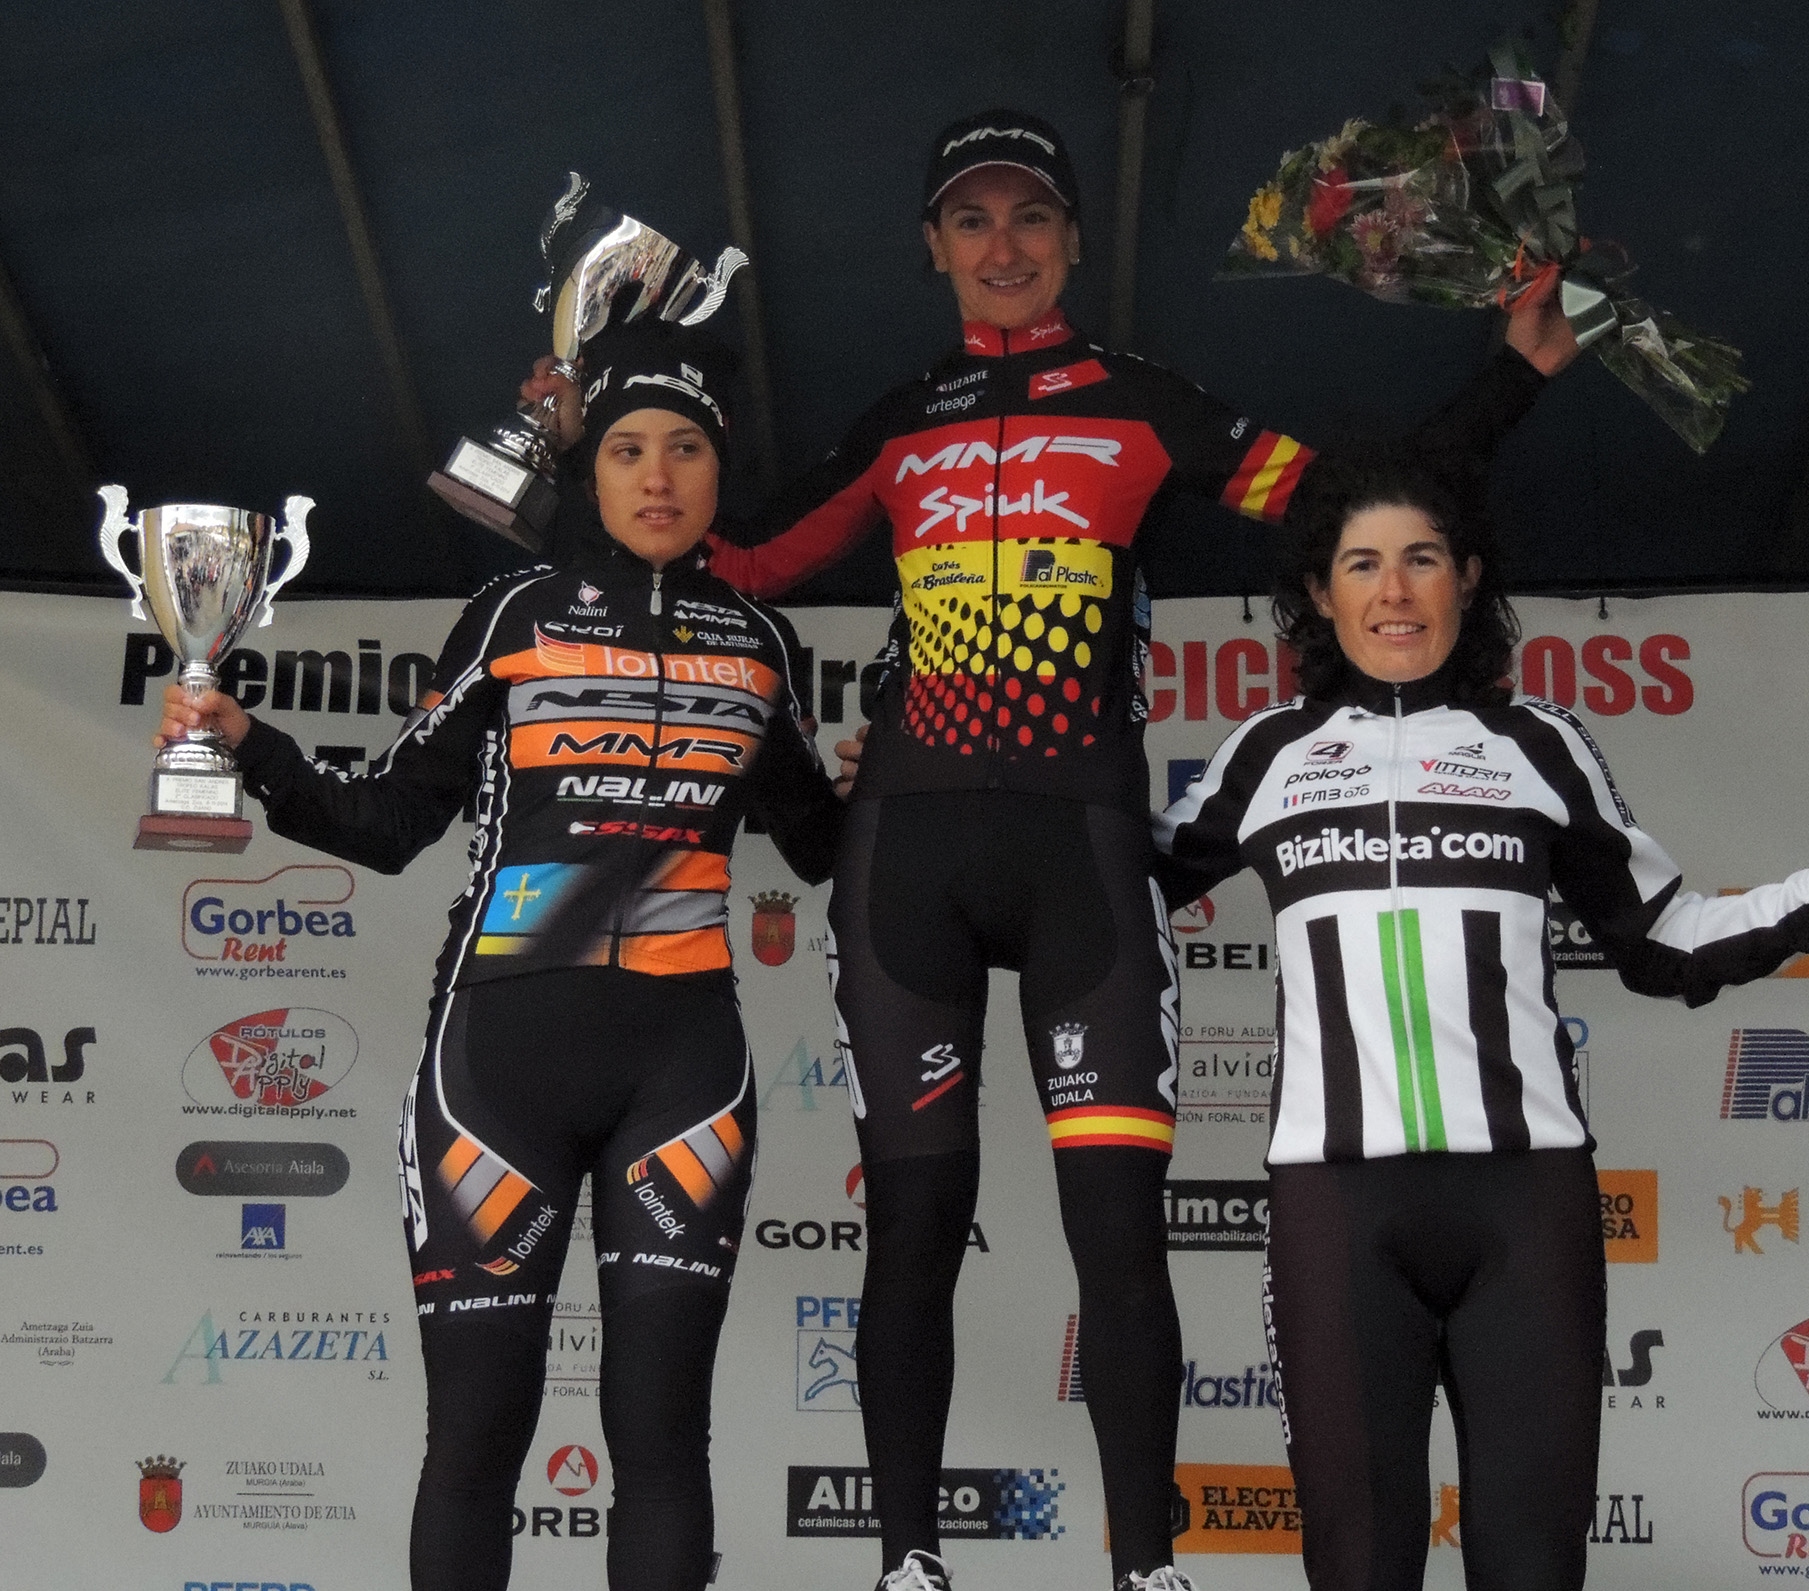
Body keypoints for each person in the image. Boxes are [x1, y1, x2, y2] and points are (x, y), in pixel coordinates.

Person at [522, 109, 1581, 1591]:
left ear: (1074, 238)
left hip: (1082, 853)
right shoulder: (901, 422)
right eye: (972, 219)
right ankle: (908, 1563)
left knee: (1119, 1235)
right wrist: (568, 446)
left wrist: (1519, 373)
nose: (1002, 245)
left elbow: (1352, 501)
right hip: (907, 859)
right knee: (912, 1227)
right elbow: (727, 559)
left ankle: (1144, 1567)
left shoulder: (1140, 404)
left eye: (1029, 215)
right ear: (934, 247)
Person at [1151, 444, 1809, 1591]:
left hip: (1523, 1205)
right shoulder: (1264, 754)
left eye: (1421, 558)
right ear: (1318, 593)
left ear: (1466, 578)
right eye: (1361, 564)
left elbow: (1663, 939)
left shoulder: (1536, 743)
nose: (1392, 590)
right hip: (1334, 1206)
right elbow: (1110, 880)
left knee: (1531, 1563)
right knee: (1357, 1565)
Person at [157, 318, 843, 1591]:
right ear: (590, 470)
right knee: (477, 1436)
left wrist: (904, 768)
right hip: (496, 1072)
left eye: (685, 449)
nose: (656, 475)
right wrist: (246, 743)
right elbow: (384, 820)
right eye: (626, 448)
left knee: (662, 1442)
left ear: (718, 470)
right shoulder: (512, 613)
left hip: (684, 1071)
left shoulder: (760, 645)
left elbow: (821, 847)